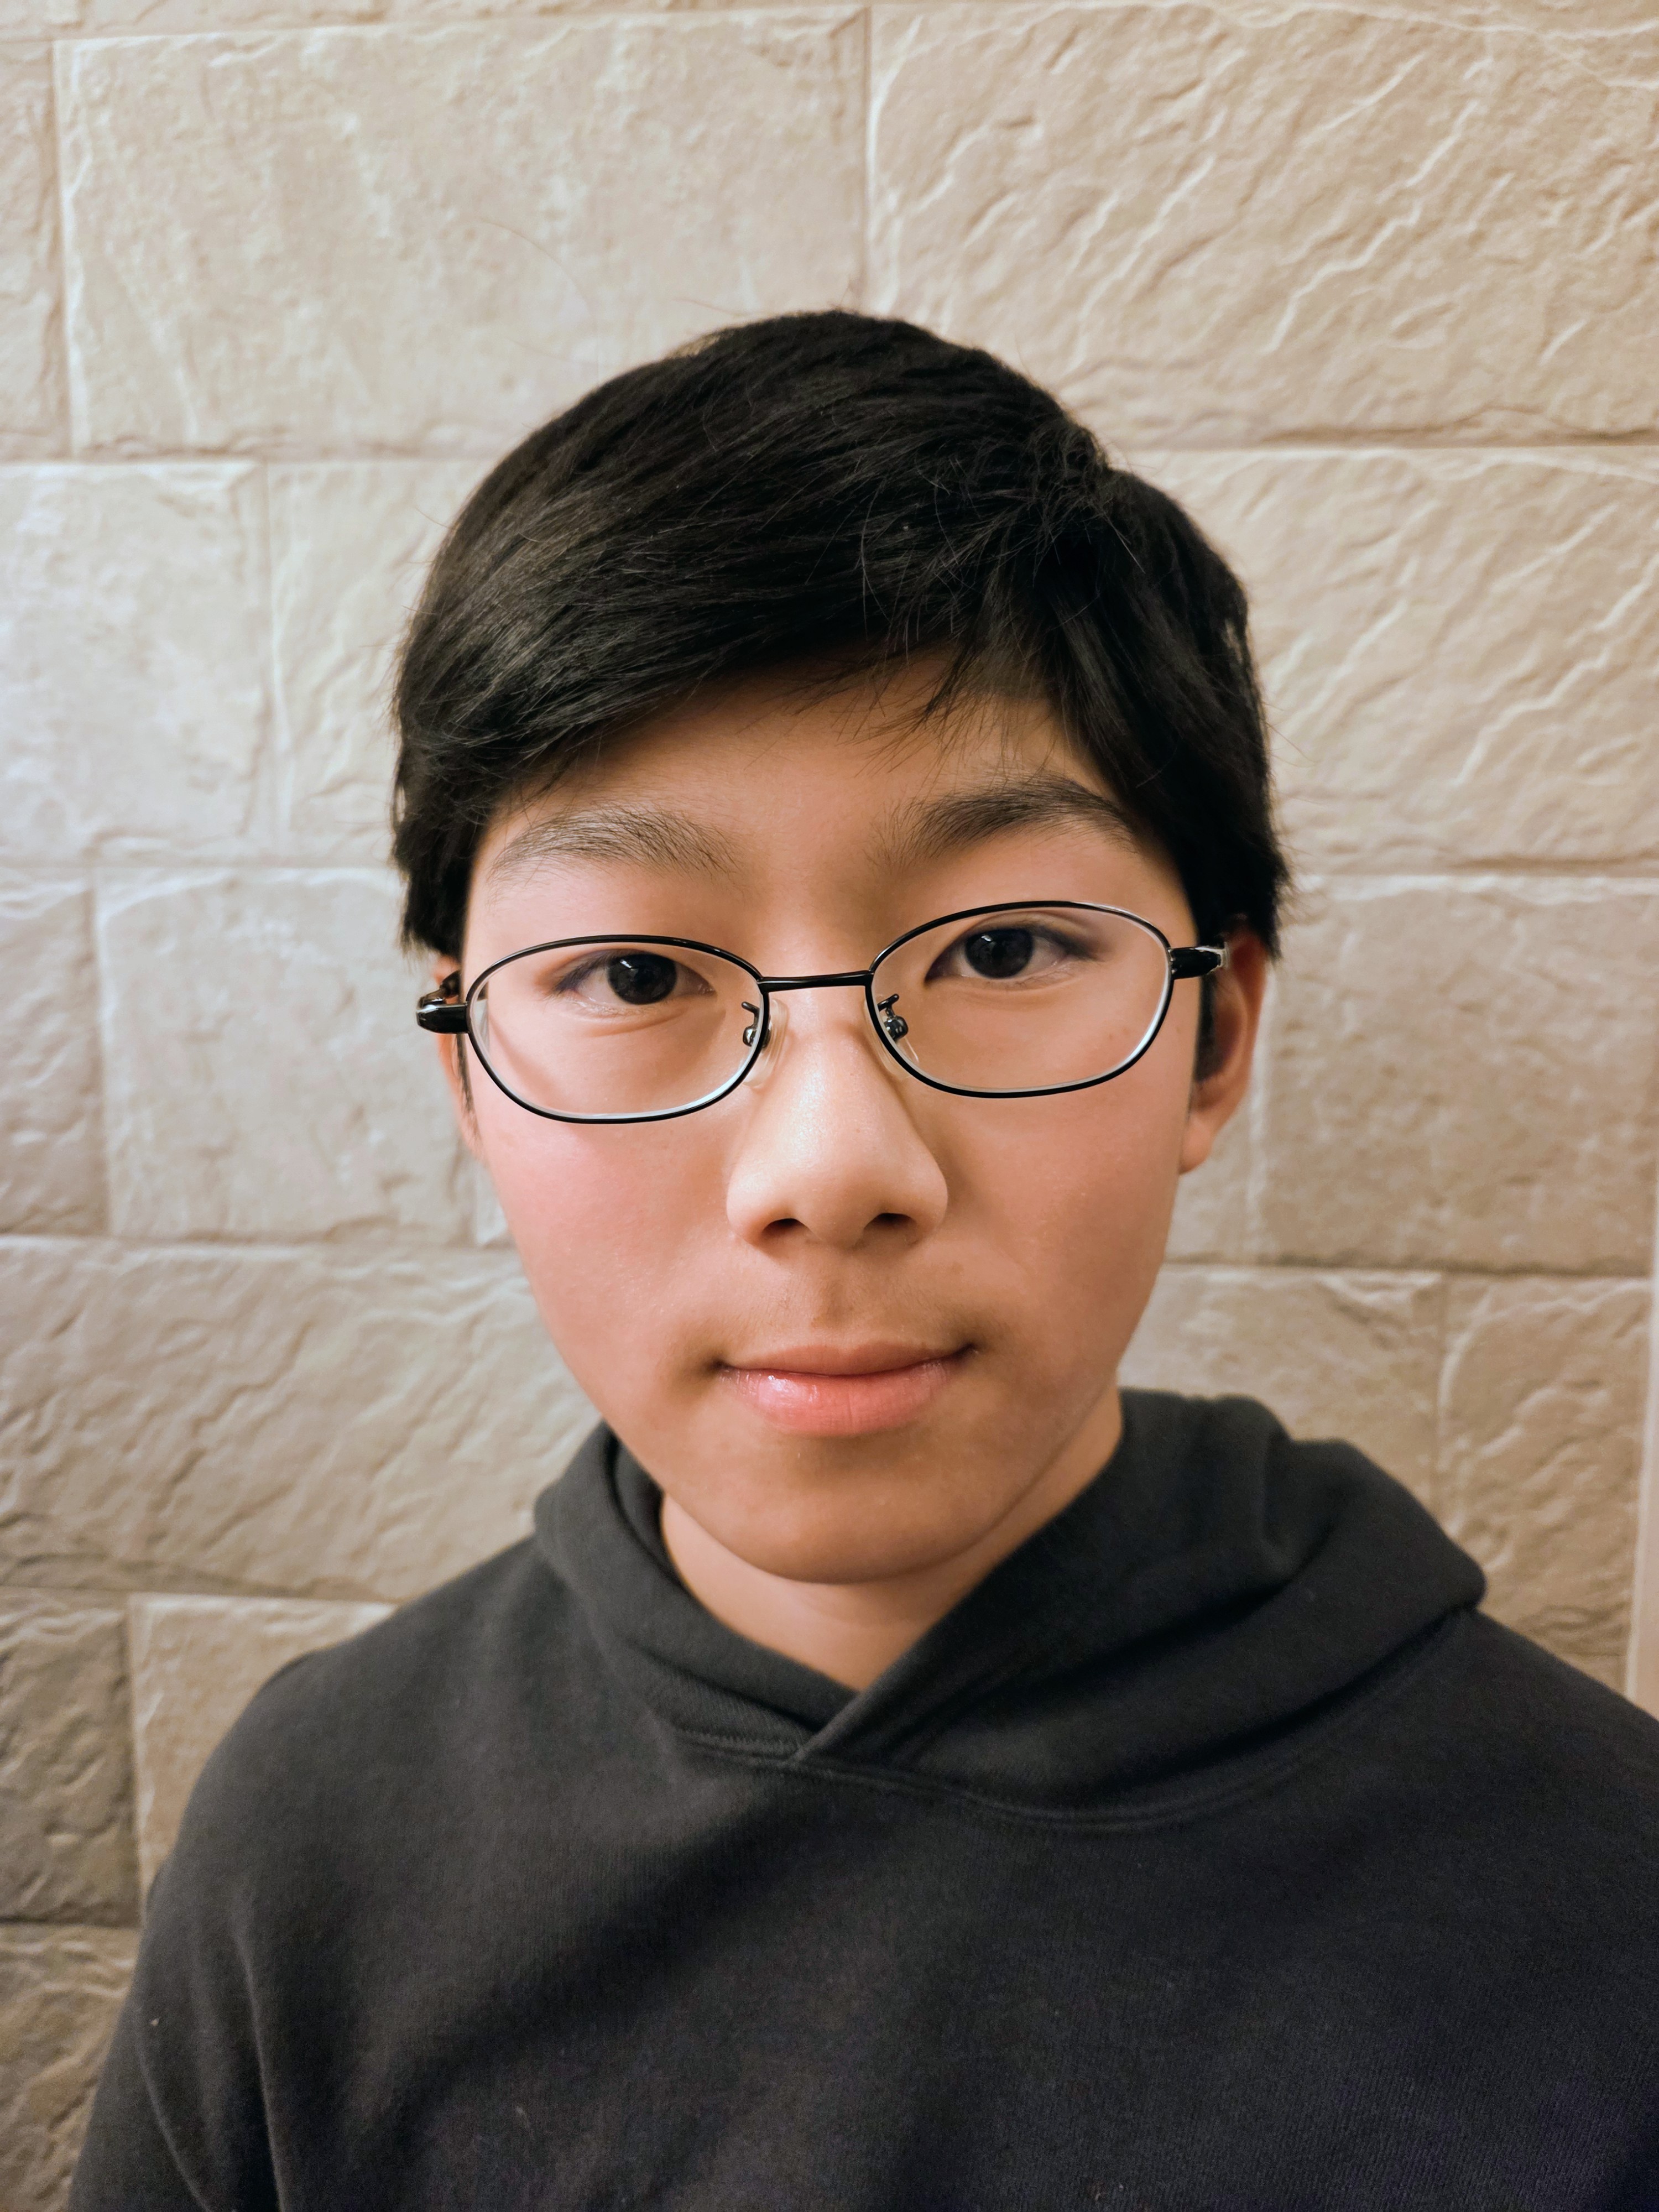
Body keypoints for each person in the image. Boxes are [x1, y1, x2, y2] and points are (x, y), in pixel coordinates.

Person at [74, 313, 1659, 2210]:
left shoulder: (1602, 1889)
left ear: (1215, 1037)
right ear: (470, 1075)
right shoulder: (319, 1839)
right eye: (635, 972)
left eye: (1001, 951)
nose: (831, 1171)